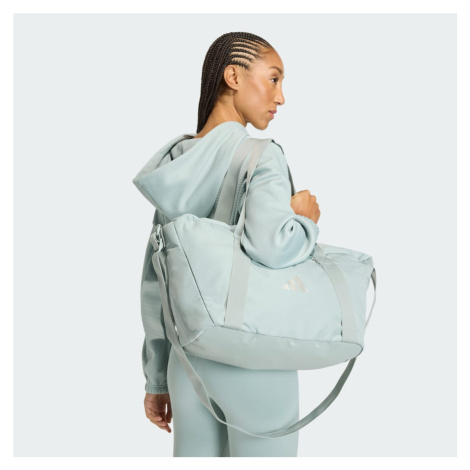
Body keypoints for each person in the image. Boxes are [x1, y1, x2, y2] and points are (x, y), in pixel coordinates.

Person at [132, 31, 321, 457]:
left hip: (187, 364)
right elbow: (272, 248)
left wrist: (157, 378)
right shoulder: (260, 155)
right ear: (233, 77)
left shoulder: (176, 165)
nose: (281, 97)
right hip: (252, 358)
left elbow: (155, 281)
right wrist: (303, 221)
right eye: (273, 78)